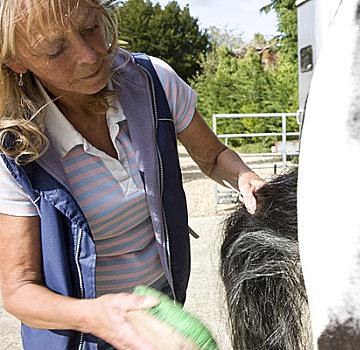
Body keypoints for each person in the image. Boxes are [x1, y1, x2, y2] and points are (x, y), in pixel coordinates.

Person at [0, 0, 265, 349]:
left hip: (161, 322)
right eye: (55, 50)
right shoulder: (15, 150)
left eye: (90, 27)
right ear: (17, 62)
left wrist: (244, 177)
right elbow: (18, 290)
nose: (90, 56)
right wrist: (95, 316)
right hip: (83, 337)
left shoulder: (153, 82)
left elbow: (214, 158)